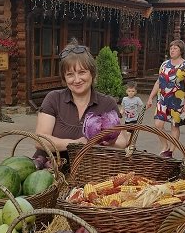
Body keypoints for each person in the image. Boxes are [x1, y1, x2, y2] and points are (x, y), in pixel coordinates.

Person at [34, 39, 128, 171]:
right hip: (49, 170)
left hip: (89, 172)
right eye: (70, 74)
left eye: (82, 72)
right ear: (64, 78)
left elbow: (122, 141)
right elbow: (39, 140)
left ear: (92, 73)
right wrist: (75, 144)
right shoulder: (54, 98)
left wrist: (111, 143)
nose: (77, 80)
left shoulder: (107, 103)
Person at [146, 39, 185, 158]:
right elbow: (158, 82)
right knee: (158, 124)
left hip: (177, 101)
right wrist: (150, 97)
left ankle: (171, 151)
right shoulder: (164, 64)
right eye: (171, 48)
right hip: (162, 99)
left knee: (174, 126)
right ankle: (164, 146)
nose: (172, 50)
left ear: (181, 51)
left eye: (175, 48)